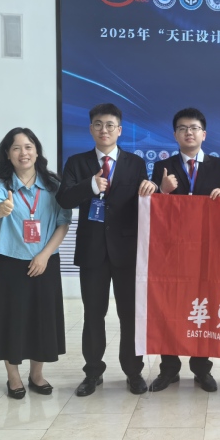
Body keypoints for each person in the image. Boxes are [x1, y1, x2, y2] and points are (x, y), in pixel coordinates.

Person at [56, 103, 157, 397]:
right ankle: (92, 373)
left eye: (110, 125)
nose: (104, 130)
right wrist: (89, 185)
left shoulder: (135, 163)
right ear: (91, 129)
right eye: (98, 124)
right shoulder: (77, 162)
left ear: (120, 130)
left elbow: (142, 203)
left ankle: (133, 372)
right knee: (93, 315)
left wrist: (153, 188)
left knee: (130, 315)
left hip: (127, 251)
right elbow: (64, 199)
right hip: (92, 251)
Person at [0, 128, 72, 398]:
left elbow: (63, 223)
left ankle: (37, 374)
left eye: (29, 146)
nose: (23, 153)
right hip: (10, 264)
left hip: (45, 262)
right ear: (8, 154)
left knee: (42, 320)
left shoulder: (54, 185)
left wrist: (44, 255)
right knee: (9, 319)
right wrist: (2, 208)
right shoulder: (0, 185)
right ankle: (13, 377)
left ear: (37, 151)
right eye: (16, 148)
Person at [148, 108, 220, 393]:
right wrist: (162, 190)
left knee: (202, 307)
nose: (189, 133)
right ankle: (169, 369)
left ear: (204, 134)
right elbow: (154, 208)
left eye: (194, 128)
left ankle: (201, 369)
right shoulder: (163, 166)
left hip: (209, 250)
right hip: (172, 251)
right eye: (182, 128)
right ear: (175, 135)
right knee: (170, 306)